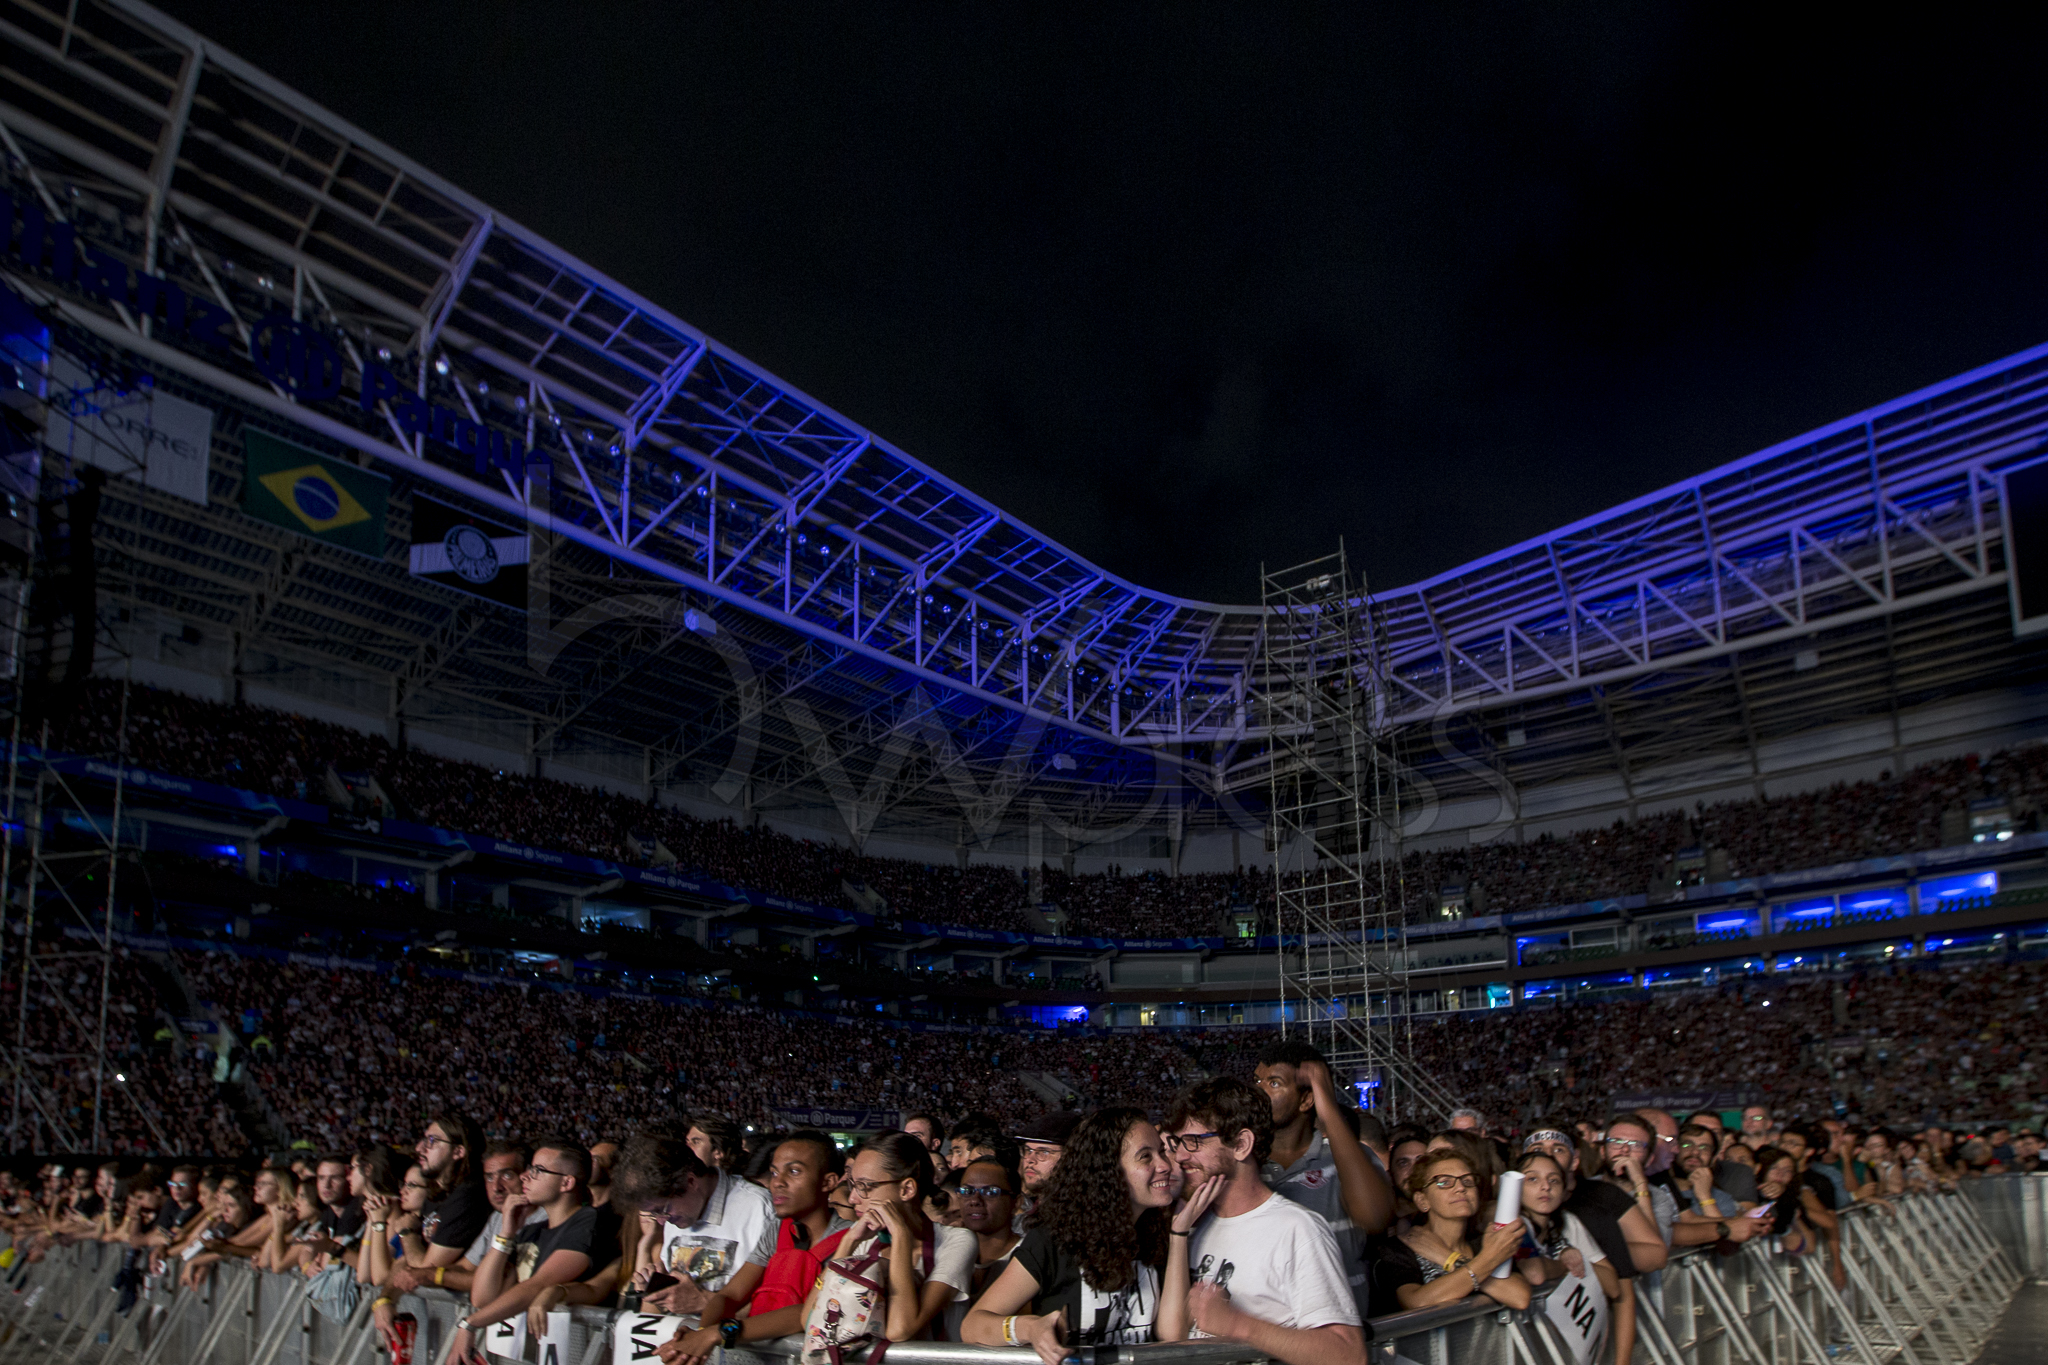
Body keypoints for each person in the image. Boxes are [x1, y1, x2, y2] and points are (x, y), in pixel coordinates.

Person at [965, 1107, 1217, 1363]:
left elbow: (1172, 1335)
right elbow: (973, 1325)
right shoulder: (1054, 1240)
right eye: (1145, 1157)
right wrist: (1029, 1328)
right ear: (1109, 1171)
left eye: (1161, 1152)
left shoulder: (1155, 1234)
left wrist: (1178, 1234)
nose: (1164, 1165)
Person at [1165, 1076, 1365, 1365]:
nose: (1180, 1156)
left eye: (1193, 1141)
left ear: (1241, 1144)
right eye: (1177, 1142)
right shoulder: (1195, 1225)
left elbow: (1349, 1354)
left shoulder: (1297, 1230)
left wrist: (1236, 1324)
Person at [655, 1130, 852, 1365]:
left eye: (794, 1171)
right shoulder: (777, 1230)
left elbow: (809, 1312)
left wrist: (716, 1333)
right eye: (774, 1172)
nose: (778, 1182)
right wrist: (701, 1336)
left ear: (828, 1182)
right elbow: (730, 1295)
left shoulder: (851, 1239)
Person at [793, 1131, 975, 1353]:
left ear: (906, 1189)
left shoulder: (956, 1241)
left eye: (865, 1186)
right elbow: (810, 1318)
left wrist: (900, 1235)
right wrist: (848, 1242)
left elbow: (900, 1329)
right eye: (852, 1185)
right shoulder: (864, 1243)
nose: (853, 1198)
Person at [1253, 1039, 1393, 1318]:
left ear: (1307, 1100)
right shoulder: (1245, 1161)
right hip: (1267, 1328)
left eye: (1274, 1083)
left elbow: (1376, 1218)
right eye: (1257, 1081)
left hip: (1339, 1326)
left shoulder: (1349, 1158)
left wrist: (1328, 1108)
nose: (1259, 1091)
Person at [449, 1139, 612, 1365]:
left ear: (566, 1182)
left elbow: (540, 1283)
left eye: (537, 1170)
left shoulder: (588, 1222)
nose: (525, 1176)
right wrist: (505, 1235)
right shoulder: (531, 1231)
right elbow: (482, 1297)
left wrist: (470, 1324)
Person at [1367, 1149, 1531, 1316]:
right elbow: (1417, 1302)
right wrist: (1487, 1260)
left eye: (1467, 1181)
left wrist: (1448, 1258)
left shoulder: (1484, 1242)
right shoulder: (1401, 1247)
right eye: (1444, 1182)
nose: (1460, 1188)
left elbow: (1520, 1297)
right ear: (1422, 1200)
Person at [1514, 1151, 1618, 1300]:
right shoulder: (1513, 1224)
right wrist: (1564, 1265)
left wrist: (1579, 1261)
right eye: (1533, 1179)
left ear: (1564, 1191)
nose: (1546, 1186)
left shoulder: (1568, 1221)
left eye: (1554, 1180)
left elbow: (1613, 1288)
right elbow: (1535, 1273)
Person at [415, 1114, 491, 1269]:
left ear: (458, 1151)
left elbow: (426, 1268)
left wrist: (406, 1233)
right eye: (424, 1139)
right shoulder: (436, 1192)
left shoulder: (469, 1195)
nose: (419, 1148)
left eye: (432, 1141)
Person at [1010, 1111, 1081, 1215]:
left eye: (1044, 1152)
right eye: (1028, 1150)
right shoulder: (1020, 1209)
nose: (1030, 1159)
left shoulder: (1078, 1216)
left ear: (1070, 1158)